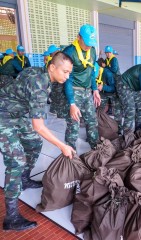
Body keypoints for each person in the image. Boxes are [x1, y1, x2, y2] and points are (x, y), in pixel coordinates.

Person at [0, 52, 75, 231]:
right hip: (3, 117)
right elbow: (39, 126)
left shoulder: (36, 72)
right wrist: (62, 145)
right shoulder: (39, 84)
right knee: (16, 161)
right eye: (64, 71)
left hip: (16, 114)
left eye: (69, 73)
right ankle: (11, 218)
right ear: (52, 67)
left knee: (34, 144)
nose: (67, 76)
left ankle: (24, 179)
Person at [63, 24, 101, 150]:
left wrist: (95, 89)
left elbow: (90, 72)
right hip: (73, 90)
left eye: (91, 43)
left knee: (92, 121)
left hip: (87, 91)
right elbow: (67, 79)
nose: (88, 46)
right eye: (86, 42)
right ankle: (70, 156)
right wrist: (72, 103)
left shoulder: (92, 50)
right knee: (74, 125)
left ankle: (95, 150)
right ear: (79, 37)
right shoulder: (69, 52)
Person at [95, 59, 122, 132]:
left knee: (117, 112)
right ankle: (99, 128)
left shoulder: (108, 74)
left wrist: (103, 87)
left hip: (113, 93)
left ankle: (118, 130)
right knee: (99, 109)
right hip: (103, 92)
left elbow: (113, 88)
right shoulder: (95, 74)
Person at [102, 46, 122, 115]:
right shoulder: (107, 59)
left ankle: (119, 111)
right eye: (106, 53)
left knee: (116, 94)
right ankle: (110, 109)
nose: (108, 54)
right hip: (110, 79)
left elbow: (114, 69)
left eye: (109, 52)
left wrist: (106, 66)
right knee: (109, 94)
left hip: (116, 78)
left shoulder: (114, 59)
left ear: (111, 52)